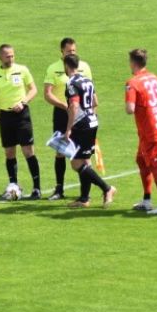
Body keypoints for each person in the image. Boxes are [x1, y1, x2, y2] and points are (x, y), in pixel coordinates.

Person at [0, 43, 43, 199]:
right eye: (7, 56)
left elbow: (33, 89)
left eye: (12, 55)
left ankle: (37, 188)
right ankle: (13, 186)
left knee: (28, 151)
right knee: (9, 152)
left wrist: (23, 102)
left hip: (22, 115)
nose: (10, 58)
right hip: (5, 116)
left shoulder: (22, 70)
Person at [63, 54, 116, 208]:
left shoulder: (71, 83)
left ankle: (107, 188)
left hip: (81, 125)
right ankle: (84, 199)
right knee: (85, 161)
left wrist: (68, 128)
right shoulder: (87, 80)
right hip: (92, 121)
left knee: (76, 163)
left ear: (66, 66)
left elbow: (74, 105)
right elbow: (95, 102)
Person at [43, 37, 91, 200]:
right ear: (61, 51)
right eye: (69, 51)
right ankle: (59, 189)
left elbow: (91, 92)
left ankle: (85, 194)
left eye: (74, 51)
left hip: (81, 114)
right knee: (60, 151)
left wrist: (91, 113)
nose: (72, 53)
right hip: (62, 113)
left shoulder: (84, 66)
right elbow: (47, 94)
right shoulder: (53, 68)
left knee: (83, 154)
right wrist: (64, 105)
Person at [125, 48, 157, 215]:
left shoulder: (133, 83)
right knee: (141, 160)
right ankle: (147, 200)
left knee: (155, 165)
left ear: (133, 63)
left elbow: (130, 109)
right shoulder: (155, 78)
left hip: (150, 131)